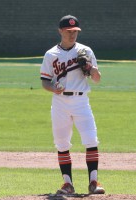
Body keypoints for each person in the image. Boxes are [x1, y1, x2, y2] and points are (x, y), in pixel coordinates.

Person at [40, 15, 105, 195]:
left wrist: (91, 69)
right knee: (62, 144)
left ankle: (93, 182)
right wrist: (53, 88)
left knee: (91, 139)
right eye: (69, 31)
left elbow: (97, 79)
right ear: (60, 31)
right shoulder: (51, 54)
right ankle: (67, 184)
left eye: (75, 31)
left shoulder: (85, 50)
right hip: (60, 102)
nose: (72, 34)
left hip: (81, 101)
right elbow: (45, 81)